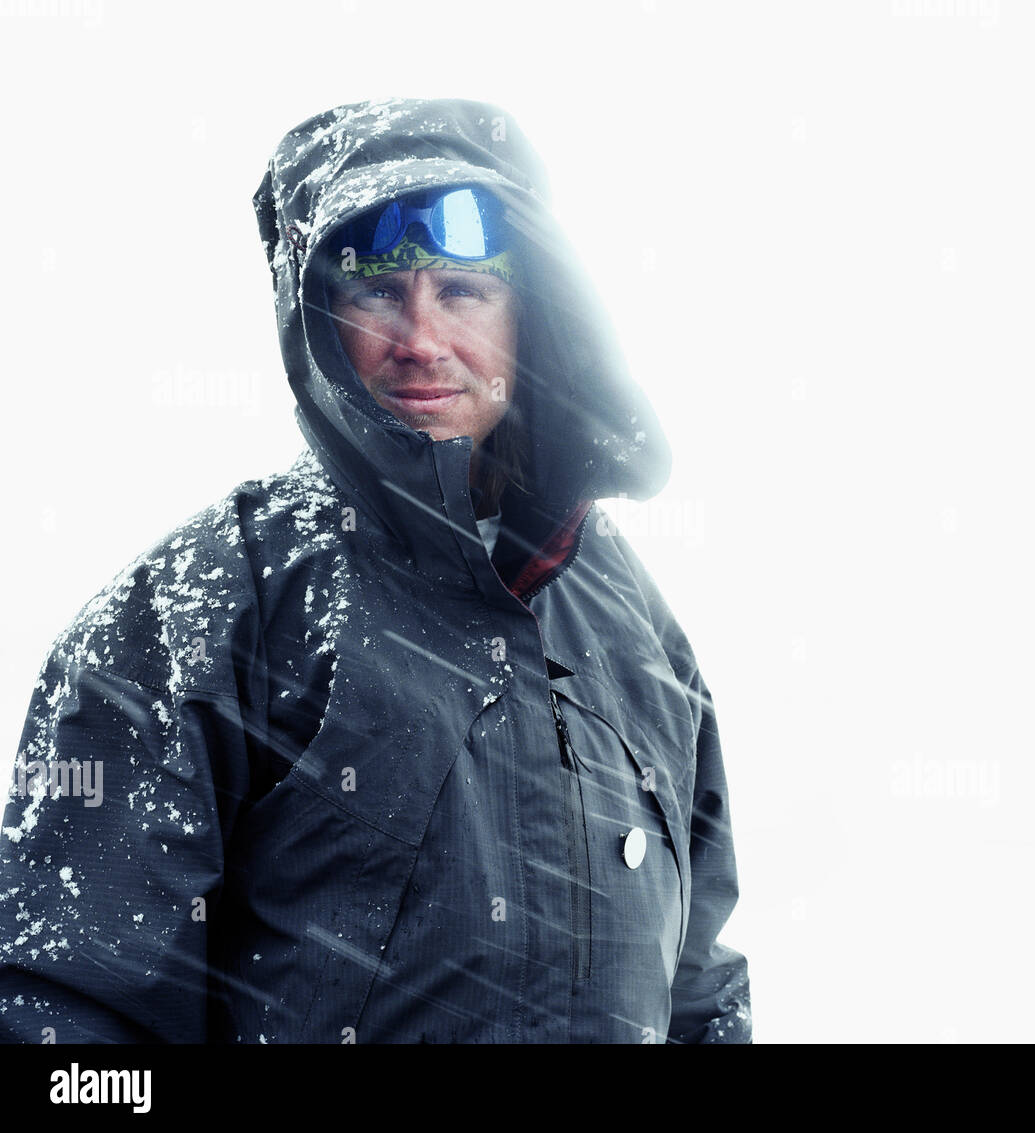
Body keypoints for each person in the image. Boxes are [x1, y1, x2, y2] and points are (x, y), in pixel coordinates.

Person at [0, 97, 751, 1044]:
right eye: (377, 291)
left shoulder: (637, 632)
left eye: (464, 291)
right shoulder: (203, 609)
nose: (423, 340)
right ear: (317, 318)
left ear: (530, 316)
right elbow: (65, 1020)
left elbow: (702, 991)